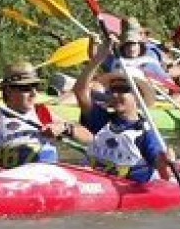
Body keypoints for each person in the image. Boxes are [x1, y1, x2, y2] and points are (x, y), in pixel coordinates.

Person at [73, 37, 173, 183]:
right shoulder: (102, 120)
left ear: (138, 96)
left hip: (126, 189)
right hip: (92, 183)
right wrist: (98, 57)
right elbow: (80, 91)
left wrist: (166, 161)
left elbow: (165, 175)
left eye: (122, 89)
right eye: (113, 89)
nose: (114, 94)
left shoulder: (146, 133)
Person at [0, 61, 80, 168]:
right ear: (9, 90)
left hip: (44, 181)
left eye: (35, 86)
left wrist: (65, 127)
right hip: (9, 185)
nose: (34, 93)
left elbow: (89, 137)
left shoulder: (43, 113)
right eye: (26, 88)